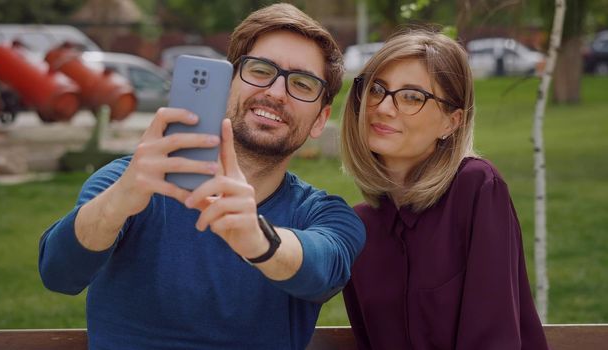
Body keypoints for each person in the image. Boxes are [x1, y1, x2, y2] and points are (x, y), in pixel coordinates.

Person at [38, 3, 365, 349]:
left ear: (319, 119)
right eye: (259, 70)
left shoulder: (326, 216)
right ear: (227, 84)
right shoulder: (130, 180)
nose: (275, 92)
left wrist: (258, 238)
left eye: (302, 83)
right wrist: (118, 202)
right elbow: (59, 274)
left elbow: (323, 270)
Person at [340, 28, 549, 350]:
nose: (382, 107)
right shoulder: (359, 227)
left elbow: (494, 339)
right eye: (377, 89)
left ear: (451, 122)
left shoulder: (477, 188)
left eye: (412, 96)